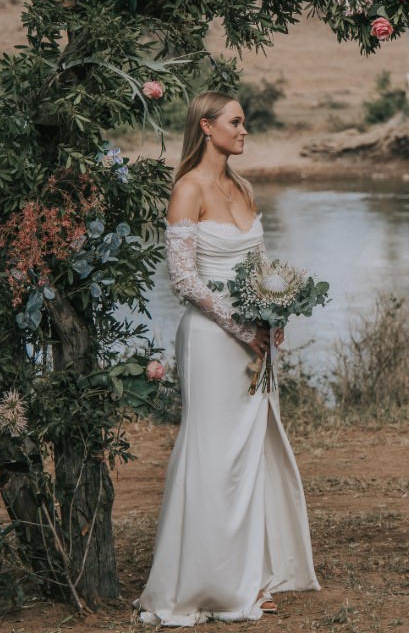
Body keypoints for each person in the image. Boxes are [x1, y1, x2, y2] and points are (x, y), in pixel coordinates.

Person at [135, 91, 320, 626]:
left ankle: (250, 575)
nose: (244, 130)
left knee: (249, 455)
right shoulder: (187, 189)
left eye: (244, 122)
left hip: (255, 338)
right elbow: (184, 279)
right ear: (207, 127)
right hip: (212, 341)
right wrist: (241, 328)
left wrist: (274, 312)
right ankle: (204, 582)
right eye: (236, 122)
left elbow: (260, 262)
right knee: (212, 456)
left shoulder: (242, 186)